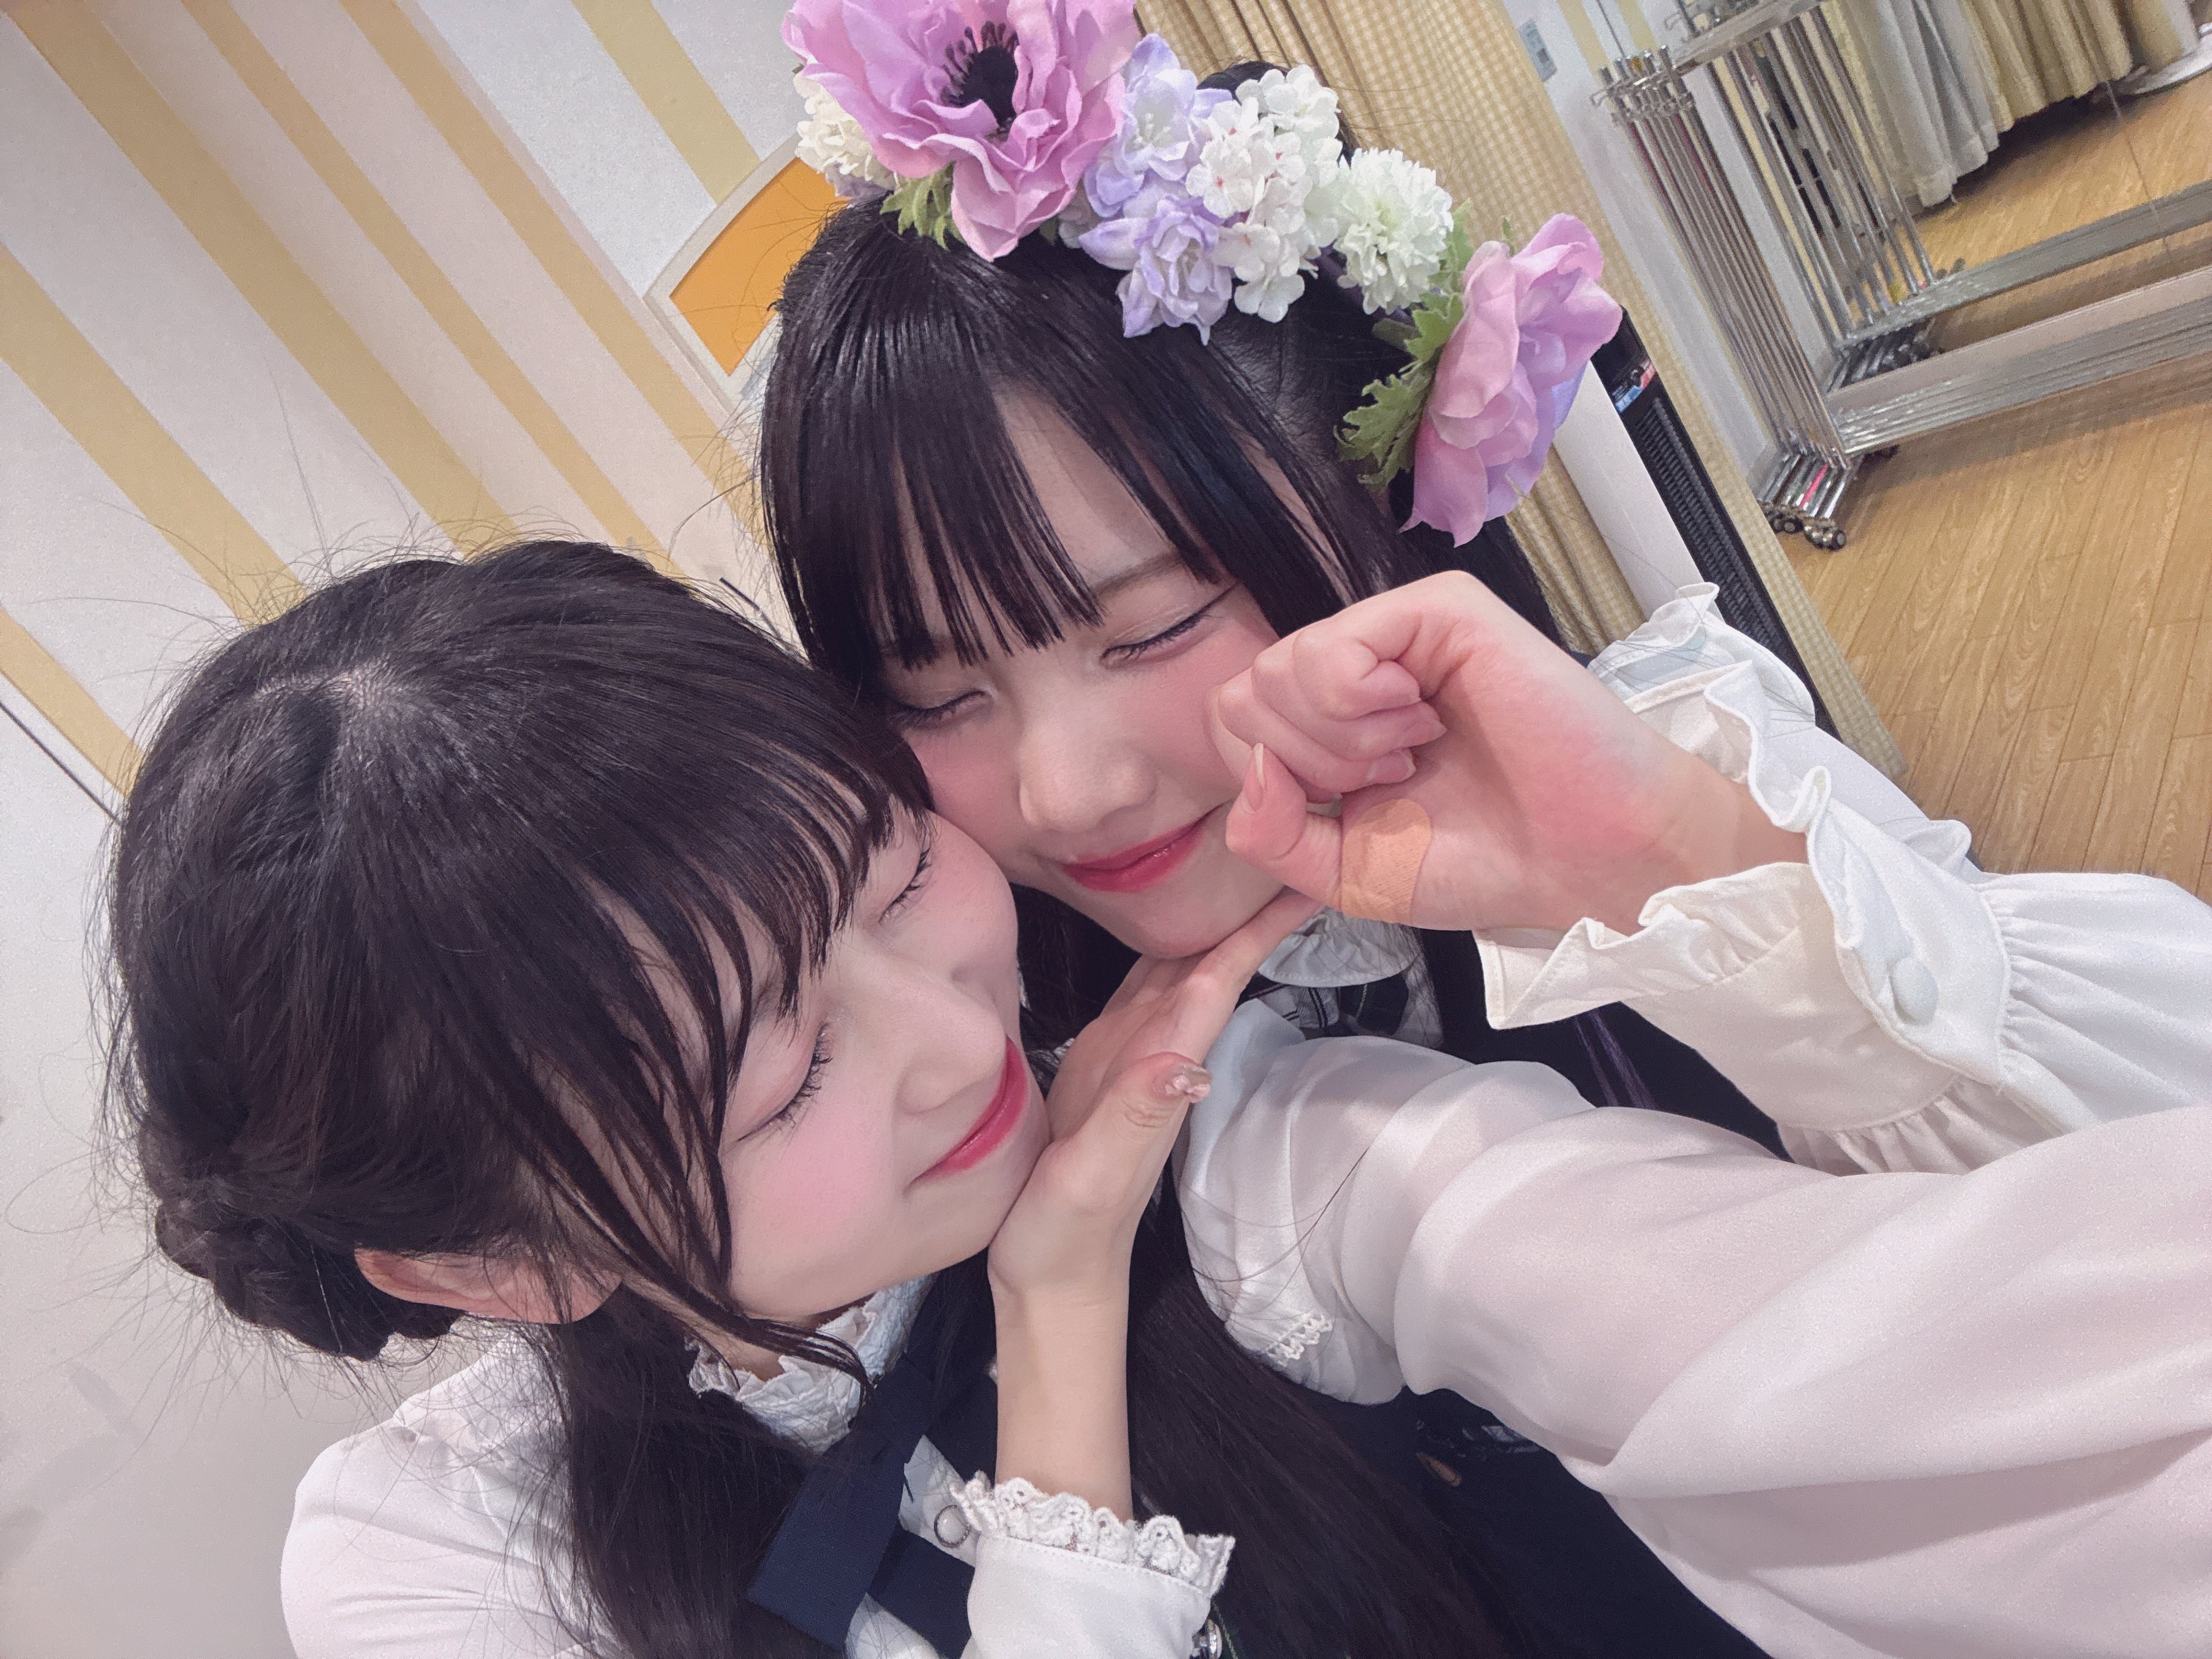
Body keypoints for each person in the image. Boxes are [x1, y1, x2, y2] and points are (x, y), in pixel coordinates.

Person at [118, 543, 2212, 1659]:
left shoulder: (1232, 1141)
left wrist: (1677, 871)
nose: (960, 1041)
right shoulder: (439, 1557)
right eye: (788, 1069)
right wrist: (1055, 1341)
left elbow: (1905, 1352)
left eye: (892, 875)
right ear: (499, 1263)